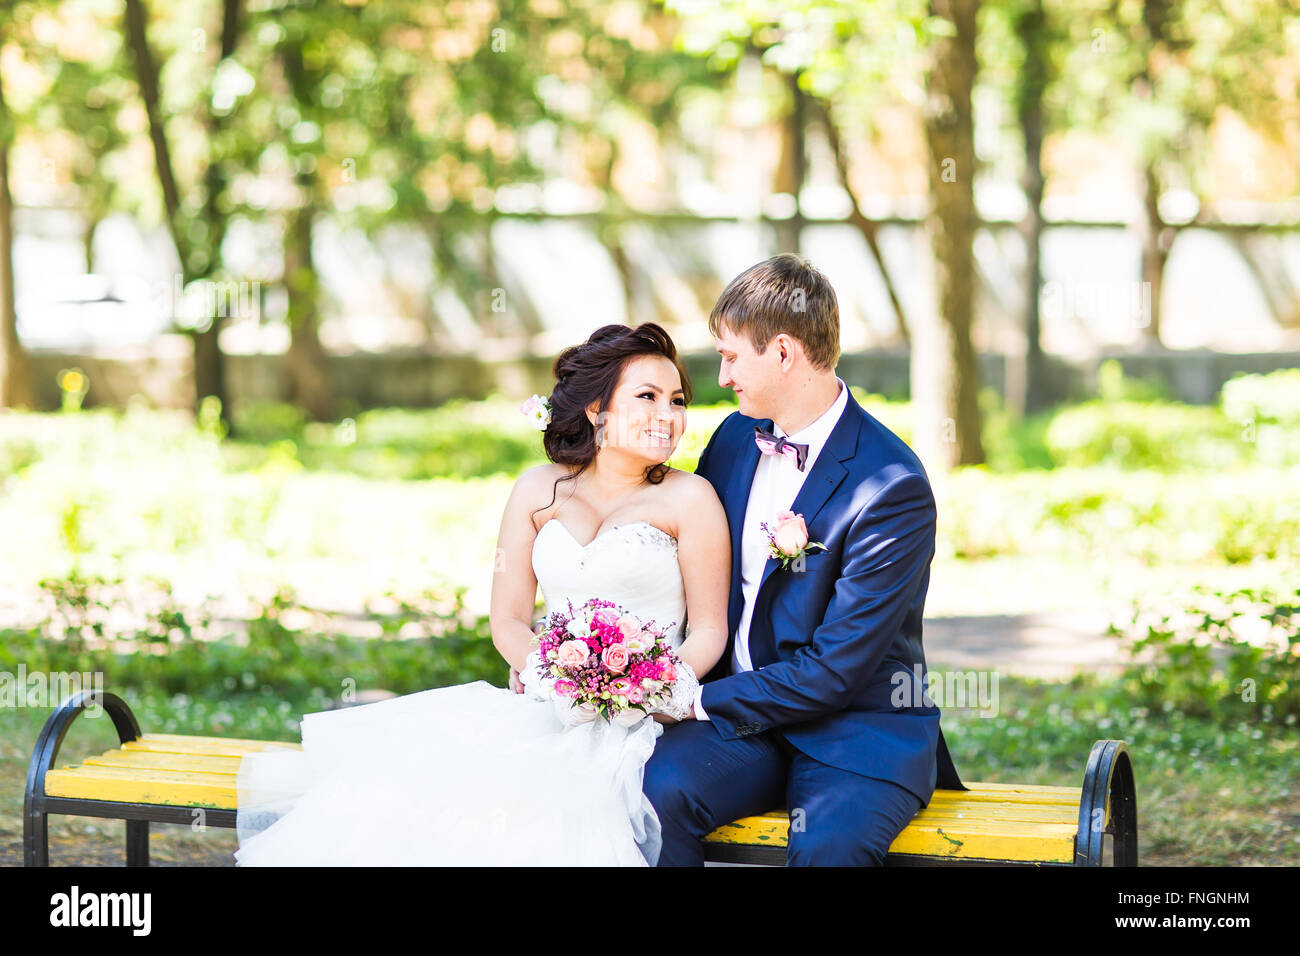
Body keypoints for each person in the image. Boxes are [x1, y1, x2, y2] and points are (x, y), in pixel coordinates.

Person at [234, 322, 731, 866]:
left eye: (678, 399)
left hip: (648, 721)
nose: (669, 414)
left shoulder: (691, 499)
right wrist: (554, 679)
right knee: (422, 808)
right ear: (596, 410)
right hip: (550, 705)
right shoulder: (537, 489)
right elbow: (510, 619)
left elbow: (709, 628)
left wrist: (647, 689)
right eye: (647, 396)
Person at [642, 253, 967, 866]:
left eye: (731, 356)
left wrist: (693, 701)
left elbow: (834, 674)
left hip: (854, 732)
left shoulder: (889, 484)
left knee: (829, 847)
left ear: (784, 353)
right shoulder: (735, 441)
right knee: (653, 794)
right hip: (741, 726)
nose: (723, 375)